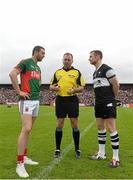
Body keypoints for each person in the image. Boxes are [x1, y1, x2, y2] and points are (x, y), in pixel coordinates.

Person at [9, 46, 45, 178]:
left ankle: (24, 157)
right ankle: (20, 165)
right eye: (42, 53)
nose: (44, 55)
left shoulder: (38, 68)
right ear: (35, 52)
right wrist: (19, 92)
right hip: (26, 100)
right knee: (26, 128)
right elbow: (12, 73)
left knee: (28, 130)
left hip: (36, 101)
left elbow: (39, 82)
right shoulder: (26, 62)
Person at [88, 50, 120, 168]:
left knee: (111, 128)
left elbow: (116, 84)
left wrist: (112, 99)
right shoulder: (95, 73)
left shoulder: (107, 69)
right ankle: (101, 154)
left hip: (108, 102)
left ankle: (116, 158)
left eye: (91, 56)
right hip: (99, 103)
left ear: (97, 56)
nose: (89, 58)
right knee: (100, 127)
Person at [50, 52, 85, 159]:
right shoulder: (58, 72)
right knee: (59, 124)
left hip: (72, 100)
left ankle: (77, 149)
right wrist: (54, 88)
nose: (67, 61)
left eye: (69, 59)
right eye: (65, 59)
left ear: (72, 61)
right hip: (60, 100)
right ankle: (57, 149)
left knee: (74, 124)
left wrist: (74, 90)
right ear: (62, 60)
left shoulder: (77, 72)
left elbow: (82, 87)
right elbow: (51, 86)